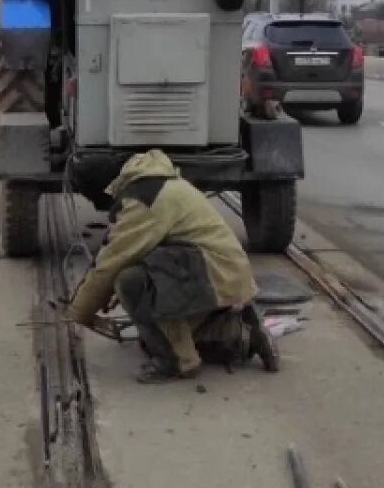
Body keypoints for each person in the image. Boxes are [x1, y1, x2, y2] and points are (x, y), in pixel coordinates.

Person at [67, 149, 279, 384]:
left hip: (213, 275)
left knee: (131, 282)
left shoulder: (146, 199)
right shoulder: (155, 181)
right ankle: (242, 333)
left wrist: (80, 311)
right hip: (224, 275)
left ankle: (176, 362)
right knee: (158, 333)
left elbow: (112, 260)